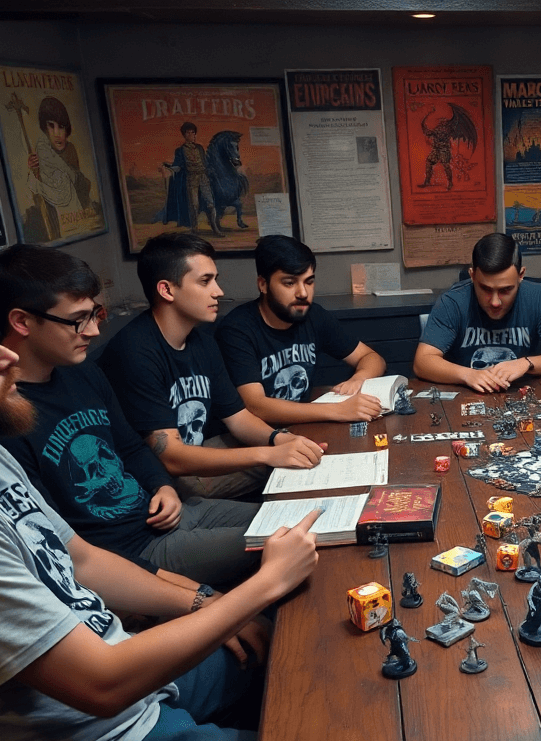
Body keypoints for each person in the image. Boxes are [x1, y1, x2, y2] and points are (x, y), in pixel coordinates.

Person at [0, 274, 321, 741]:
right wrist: (262, 585)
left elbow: (82, 560)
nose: (8, 357)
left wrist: (203, 602)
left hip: (129, 677)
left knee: (298, 649)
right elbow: (101, 685)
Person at [0, 244, 261, 589]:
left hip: (173, 513)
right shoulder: (2, 418)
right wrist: (193, 595)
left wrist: (162, 487)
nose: (94, 331)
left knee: (306, 520)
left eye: (94, 313)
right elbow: (66, 547)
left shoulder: (81, 372)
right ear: (22, 321)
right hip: (138, 553)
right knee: (283, 540)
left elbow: (130, 447)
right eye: (77, 320)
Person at [99, 233, 325, 500]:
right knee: (293, 470)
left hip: (196, 454)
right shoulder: (134, 351)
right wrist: (270, 453)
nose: (218, 291)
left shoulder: (201, 342)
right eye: (205, 281)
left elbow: (239, 418)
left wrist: (280, 439)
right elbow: (171, 458)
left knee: (310, 455)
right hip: (158, 482)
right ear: (167, 290)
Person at [216, 235, 386, 425]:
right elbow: (256, 406)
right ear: (263, 284)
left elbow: (372, 358)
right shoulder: (237, 329)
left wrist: (358, 379)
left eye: (309, 281)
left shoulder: (314, 315)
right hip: (257, 438)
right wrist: (338, 410)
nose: (303, 293)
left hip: (303, 428)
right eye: (290, 283)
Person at [414, 233, 541, 393]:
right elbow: (422, 362)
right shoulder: (452, 302)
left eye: (506, 290)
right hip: (465, 395)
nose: (495, 302)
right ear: (472, 276)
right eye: (485, 289)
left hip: (521, 393)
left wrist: (526, 363)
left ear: (521, 275)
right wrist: (467, 375)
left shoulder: (538, 297)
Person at [24, 95, 98, 243]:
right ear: (45, 129)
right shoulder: (41, 154)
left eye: (61, 127)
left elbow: (79, 184)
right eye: (51, 126)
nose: (57, 133)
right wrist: (34, 171)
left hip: (74, 212)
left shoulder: (70, 150)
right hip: (54, 214)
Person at [158, 121, 223, 237]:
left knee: (210, 204)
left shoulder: (200, 148)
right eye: (188, 133)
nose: (192, 135)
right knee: (194, 205)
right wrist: (170, 168)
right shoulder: (180, 150)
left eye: (193, 133)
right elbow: (178, 166)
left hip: (203, 178)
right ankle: (195, 230)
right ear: (184, 135)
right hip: (191, 179)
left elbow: (205, 163)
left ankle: (215, 228)